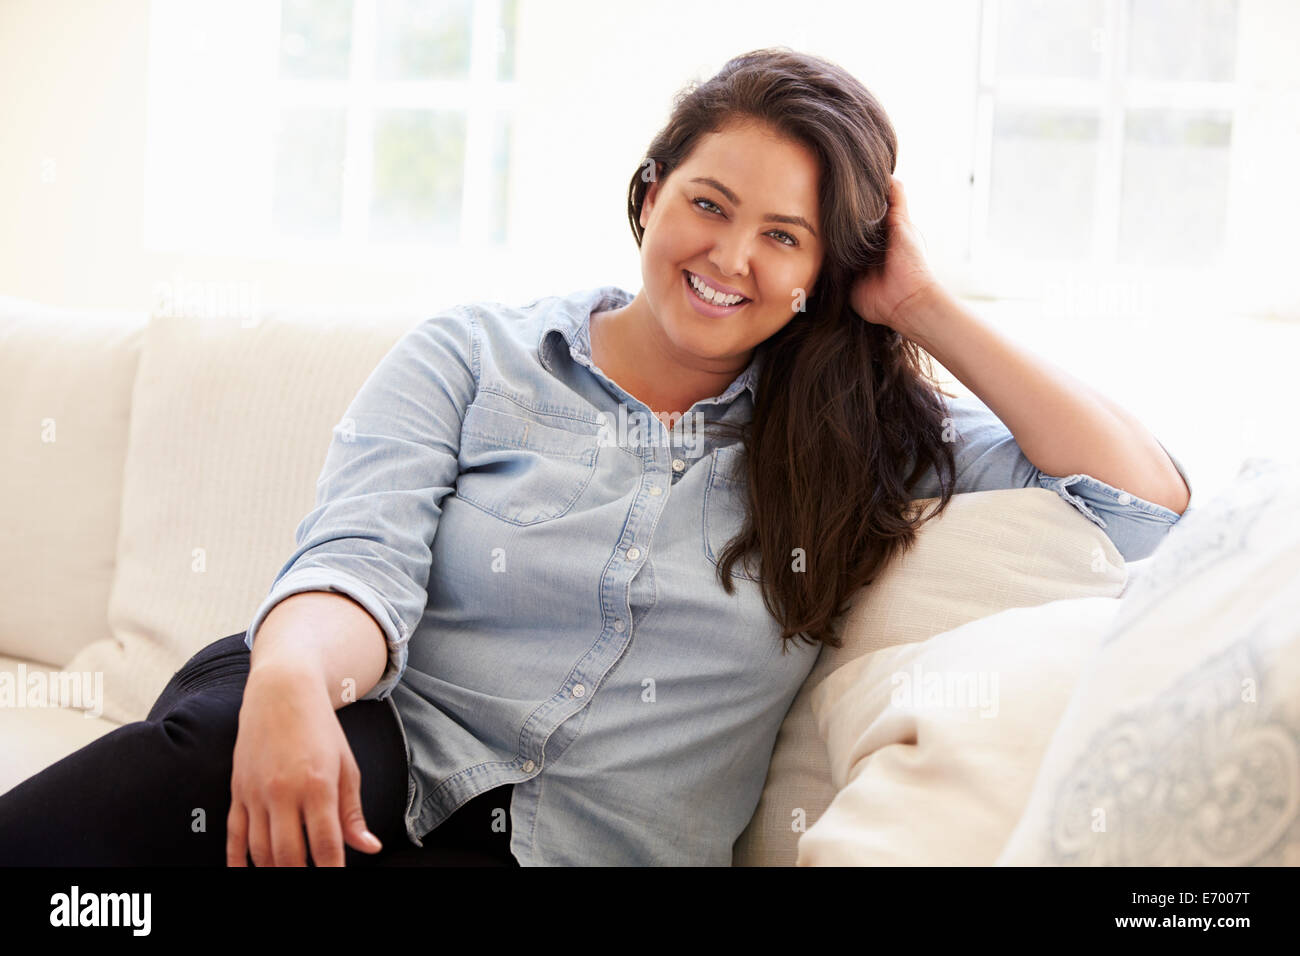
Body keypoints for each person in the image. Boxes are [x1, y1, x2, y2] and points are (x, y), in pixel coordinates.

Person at [0, 47, 1192, 867]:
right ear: (649, 192)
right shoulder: (474, 355)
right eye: (709, 203)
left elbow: (1140, 504)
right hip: (366, 733)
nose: (730, 255)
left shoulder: (860, 443)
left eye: (785, 238)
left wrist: (922, 301)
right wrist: (291, 682)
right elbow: (358, 559)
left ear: (824, 273)